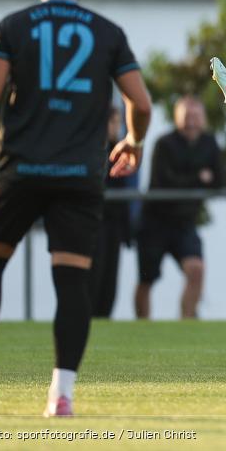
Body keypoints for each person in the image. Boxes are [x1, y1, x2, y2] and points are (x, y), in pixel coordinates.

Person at [0, 0, 151, 416]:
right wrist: (133, 141)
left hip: (20, 168)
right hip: (78, 174)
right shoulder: (108, 33)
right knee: (71, 282)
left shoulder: (12, 26)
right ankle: (61, 394)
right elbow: (142, 102)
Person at [135, 97, 224, 320]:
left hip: (185, 222)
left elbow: (220, 180)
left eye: (195, 117)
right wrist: (199, 178)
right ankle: (142, 326)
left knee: (196, 269)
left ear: (203, 119)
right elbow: (164, 182)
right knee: (147, 279)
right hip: (155, 222)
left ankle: (186, 322)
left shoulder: (209, 143)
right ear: (177, 119)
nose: (191, 122)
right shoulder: (163, 144)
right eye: (186, 117)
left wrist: (199, 180)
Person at [89, 107, 134, 318]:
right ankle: (90, 316)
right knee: (94, 274)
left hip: (114, 225)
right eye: (112, 122)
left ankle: (104, 317)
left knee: (110, 276)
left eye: (117, 123)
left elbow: (124, 192)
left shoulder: (120, 152)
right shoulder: (92, 151)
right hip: (95, 223)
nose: (115, 128)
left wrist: (127, 230)